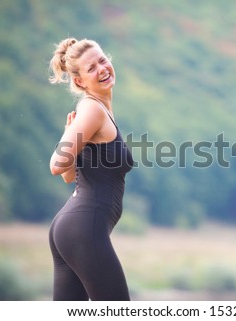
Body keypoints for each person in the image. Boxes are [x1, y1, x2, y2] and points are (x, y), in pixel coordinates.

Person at [47, 37, 133, 301]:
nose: (102, 69)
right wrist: (67, 140)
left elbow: (69, 176)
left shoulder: (98, 111)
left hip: (71, 228)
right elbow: (57, 164)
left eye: (102, 61)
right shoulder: (92, 109)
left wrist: (69, 135)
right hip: (85, 228)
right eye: (92, 68)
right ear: (80, 81)